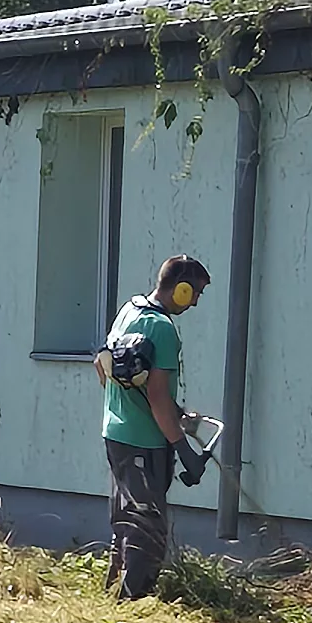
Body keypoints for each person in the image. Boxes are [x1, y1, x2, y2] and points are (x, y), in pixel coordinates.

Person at [100, 255, 213, 600]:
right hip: (144, 443)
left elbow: (102, 368)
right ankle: (134, 604)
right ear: (180, 289)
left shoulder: (129, 311)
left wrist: (169, 411)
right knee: (148, 527)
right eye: (195, 293)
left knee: (126, 514)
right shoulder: (163, 329)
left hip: (115, 434)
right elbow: (156, 394)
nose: (194, 302)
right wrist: (186, 452)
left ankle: (113, 591)